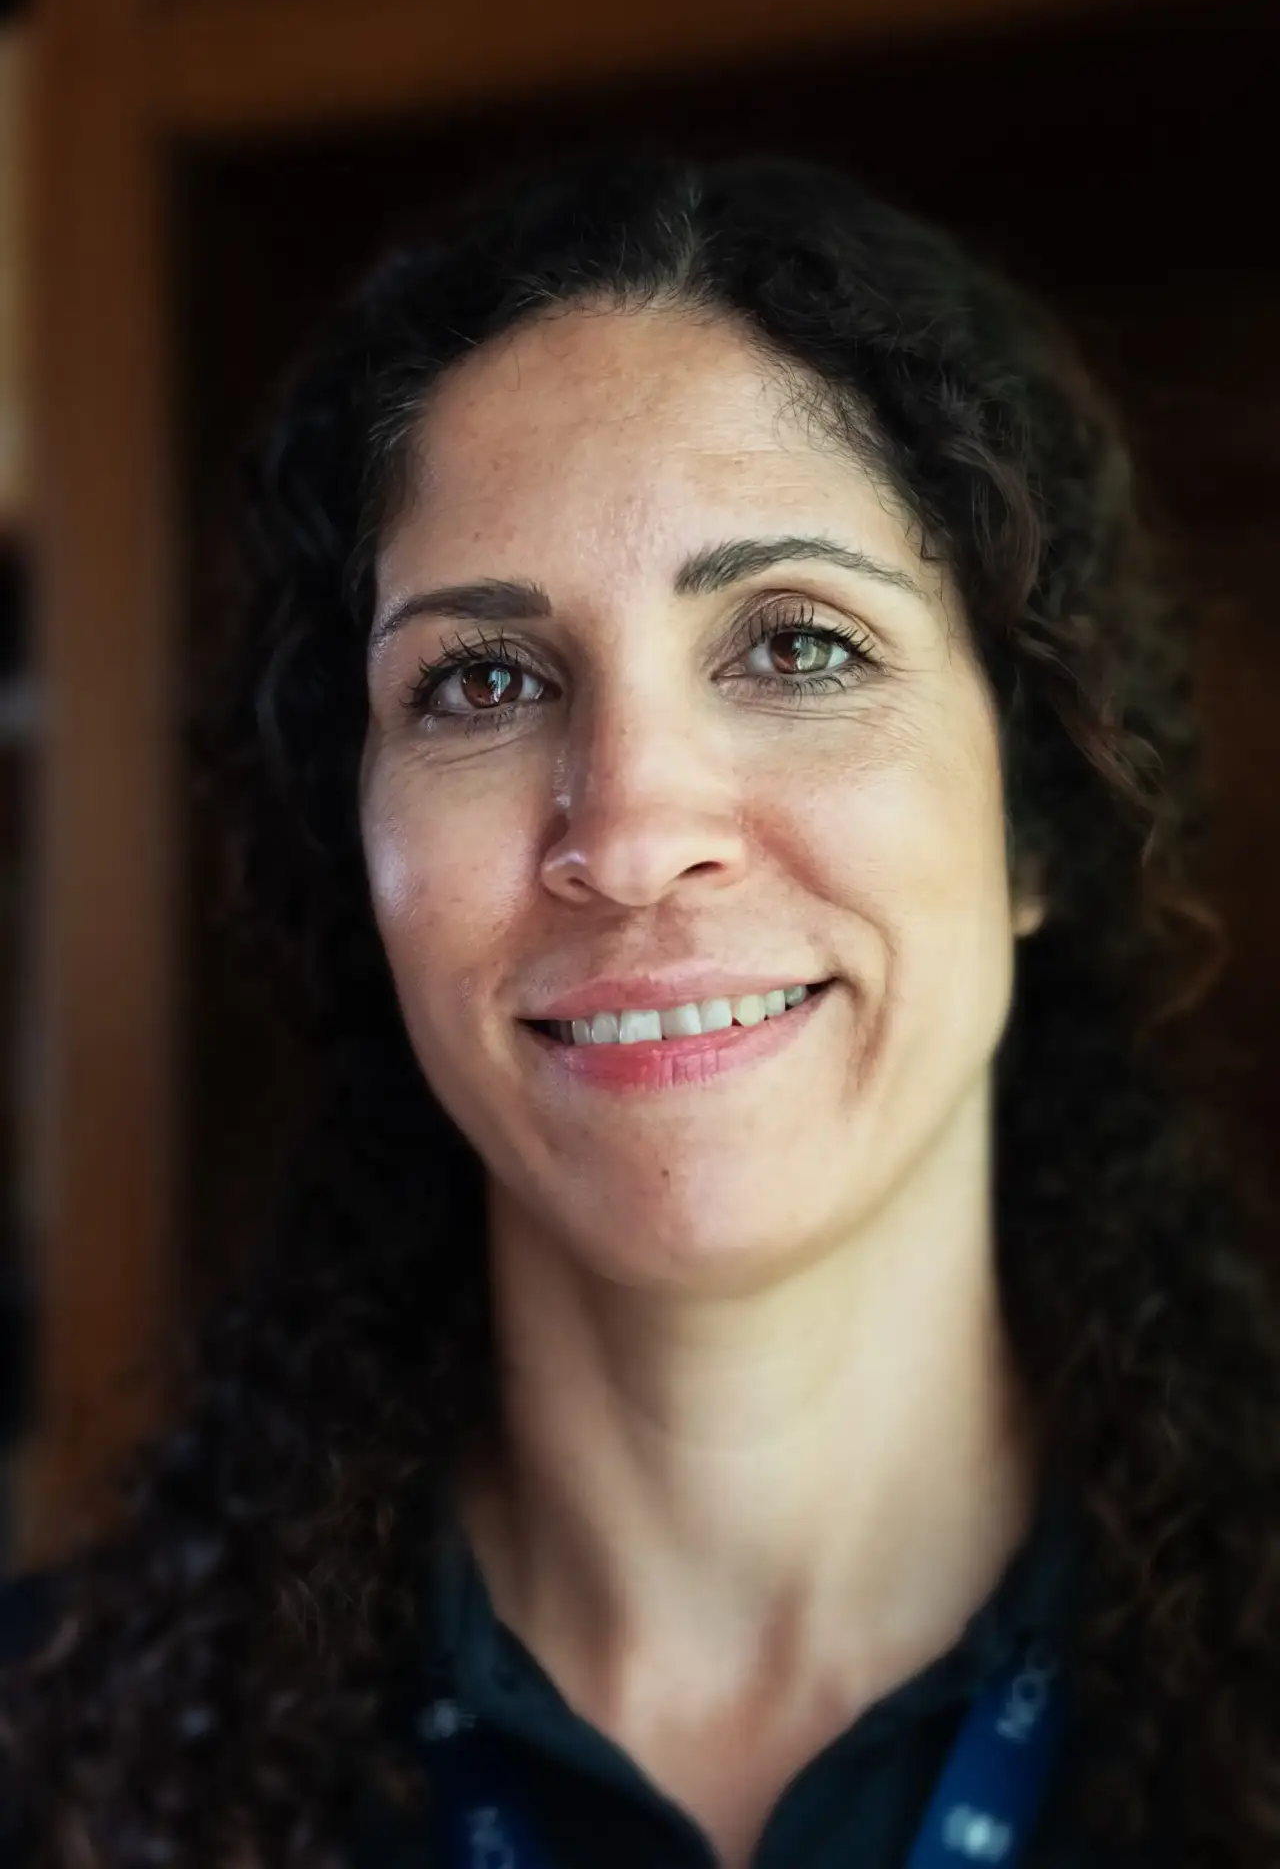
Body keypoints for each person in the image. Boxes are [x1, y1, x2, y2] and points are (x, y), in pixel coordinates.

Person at [1, 151, 1278, 1869]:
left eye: (799, 646)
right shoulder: (55, 1772)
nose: (630, 835)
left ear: (1037, 814)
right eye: (485, 680)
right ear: (359, 849)